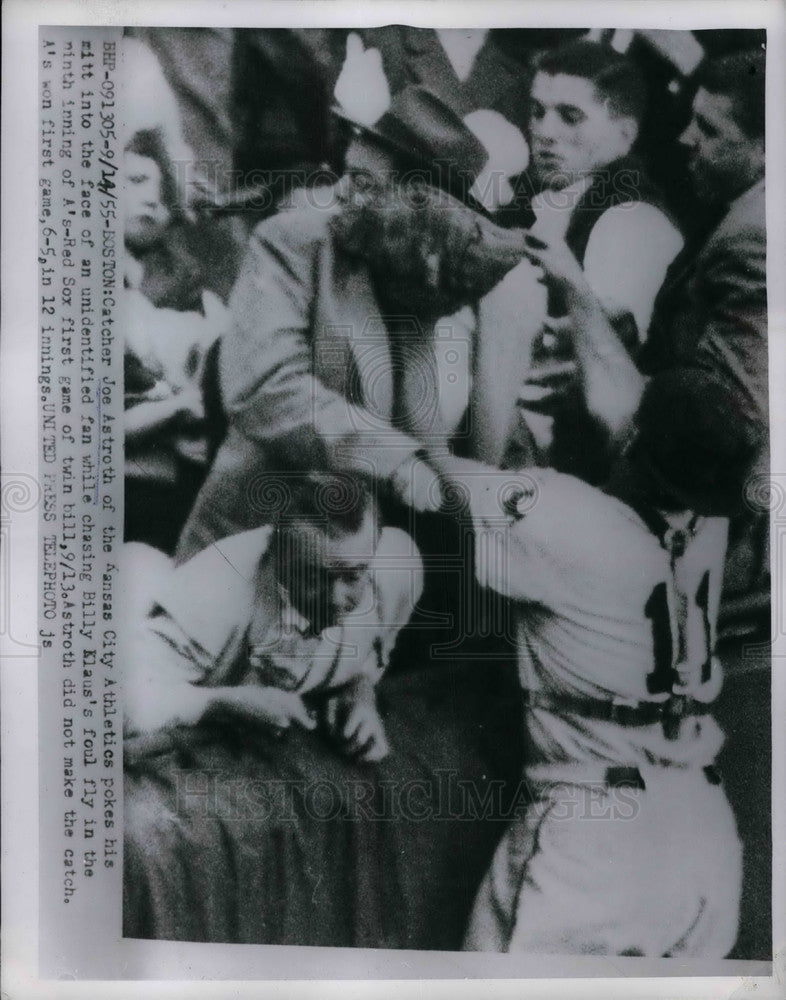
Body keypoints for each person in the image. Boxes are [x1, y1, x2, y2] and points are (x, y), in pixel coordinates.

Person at [444, 370, 761, 955]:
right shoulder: (709, 525)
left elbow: (425, 475)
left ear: (636, 431)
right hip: (703, 837)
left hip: (598, 838)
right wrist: (570, 282)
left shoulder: (561, 516)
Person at [176, 84, 531, 562]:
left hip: (356, 562)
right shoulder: (293, 240)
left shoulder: (413, 276)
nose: (340, 190)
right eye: (346, 172)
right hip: (257, 544)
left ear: (413, 209)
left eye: (363, 182)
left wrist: (469, 482)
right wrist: (400, 465)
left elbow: (421, 427)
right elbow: (265, 388)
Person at [523, 49, 767, 624]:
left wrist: (580, 304)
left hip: (706, 534)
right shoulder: (750, 216)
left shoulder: (753, 240)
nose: (684, 138)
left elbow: (728, 427)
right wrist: (623, 334)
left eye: (708, 128)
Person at [471, 40, 683, 472]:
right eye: (536, 111)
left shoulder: (633, 221)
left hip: (564, 455)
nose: (545, 131)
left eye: (570, 116)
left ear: (625, 134)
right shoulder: (533, 195)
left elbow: (597, 383)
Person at [124, 473, 421, 764]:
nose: (334, 598)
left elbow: (376, 647)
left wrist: (359, 687)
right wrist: (216, 703)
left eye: (354, 575)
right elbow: (121, 702)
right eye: (313, 575)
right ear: (277, 552)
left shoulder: (396, 572)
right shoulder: (214, 590)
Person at [123, 128, 231, 554]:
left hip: (181, 490)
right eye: (134, 182)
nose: (151, 199)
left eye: (164, 190)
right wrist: (180, 405)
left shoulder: (197, 295)